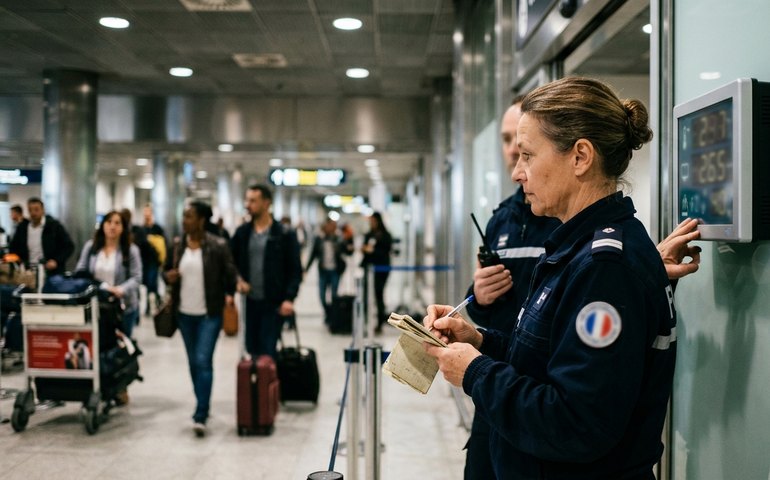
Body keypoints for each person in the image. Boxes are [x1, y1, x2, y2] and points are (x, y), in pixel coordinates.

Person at [424, 77, 681, 479]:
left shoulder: (604, 268)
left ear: (580, 156)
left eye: (527, 155)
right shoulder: (574, 249)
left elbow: (576, 423)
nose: (517, 173)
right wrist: (480, 341)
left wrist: (476, 372)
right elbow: (549, 358)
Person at [163, 201, 237, 437]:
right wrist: (169, 277)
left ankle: (201, 412)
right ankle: (202, 401)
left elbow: (230, 273)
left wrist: (231, 293)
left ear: (202, 220)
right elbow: (166, 271)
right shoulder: (177, 245)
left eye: (190, 216)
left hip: (210, 314)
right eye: (184, 216)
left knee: (203, 360)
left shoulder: (217, 245)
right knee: (194, 362)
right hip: (184, 314)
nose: (185, 221)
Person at [230, 184, 302, 359]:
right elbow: (231, 263)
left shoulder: (284, 234)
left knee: (267, 349)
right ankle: (258, 384)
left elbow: (295, 269)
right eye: (247, 200)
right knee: (252, 347)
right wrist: (237, 281)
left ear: (266, 203)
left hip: (274, 302)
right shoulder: (242, 233)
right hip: (251, 301)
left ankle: (266, 384)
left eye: (253, 201)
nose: (248, 205)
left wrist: (289, 298)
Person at [75, 210, 142, 339]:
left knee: (121, 347)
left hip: (123, 307)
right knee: (97, 344)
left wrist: (121, 289)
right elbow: (81, 272)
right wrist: (101, 286)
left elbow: (137, 277)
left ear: (123, 228)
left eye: (117, 223)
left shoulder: (130, 250)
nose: (112, 226)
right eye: (109, 222)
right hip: (96, 304)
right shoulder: (91, 247)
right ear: (103, 225)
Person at [9, 197, 75, 275]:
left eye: (36, 209)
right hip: (28, 272)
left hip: (51, 272)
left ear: (43, 210)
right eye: (30, 210)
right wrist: (19, 262)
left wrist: (56, 261)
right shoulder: (22, 228)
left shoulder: (54, 226)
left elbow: (69, 246)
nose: (33, 213)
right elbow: (13, 247)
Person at [305, 218, 351, 323]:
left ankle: (332, 315)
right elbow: (313, 254)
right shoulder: (319, 239)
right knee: (322, 295)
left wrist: (348, 245)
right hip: (323, 271)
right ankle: (328, 312)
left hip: (335, 271)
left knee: (334, 295)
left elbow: (347, 251)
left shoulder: (339, 239)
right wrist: (306, 269)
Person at [361, 211, 392, 333]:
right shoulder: (369, 234)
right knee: (365, 296)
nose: (372, 223)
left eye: (373, 221)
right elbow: (365, 248)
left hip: (381, 269)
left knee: (379, 295)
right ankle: (365, 322)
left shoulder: (385, 235)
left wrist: (372, 251)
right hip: (368, 269)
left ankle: (379, 322)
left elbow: (385, 251)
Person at [141, 204, 166, 314]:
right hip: (143, 261)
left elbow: (163, 245)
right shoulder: (141, 230)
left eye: (148, 212)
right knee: (146, 284)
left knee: (152, 282)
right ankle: (151, 303)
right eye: (145, 212)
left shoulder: (157, 228)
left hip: (154, 261)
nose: (146, 215)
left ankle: (156, 301)